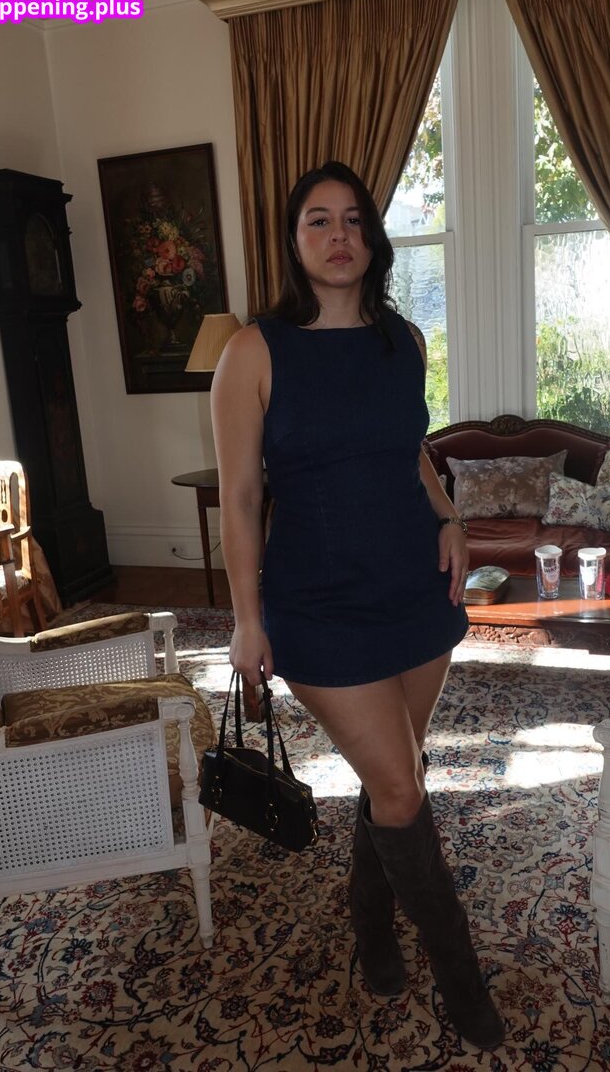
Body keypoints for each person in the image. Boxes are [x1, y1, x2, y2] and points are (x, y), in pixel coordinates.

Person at [210, 161, 505, 1051]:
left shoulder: (403, 340)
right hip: (318, 604)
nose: (338, 236)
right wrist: (247, 618)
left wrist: (449, 516)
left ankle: (370, 922)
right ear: (294, 239)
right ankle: (460, 978)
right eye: (317, 220)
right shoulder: (252, 351)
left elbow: (407, 448)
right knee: (403, 787)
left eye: (352, 220)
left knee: (394, 776)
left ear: (372, 238)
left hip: (413, 588)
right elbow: (240, 499)